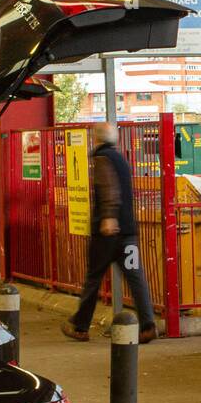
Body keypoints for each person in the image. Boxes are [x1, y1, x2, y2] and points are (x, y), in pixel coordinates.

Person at [65, 123, 158, 344]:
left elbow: (109, 188)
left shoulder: (101, 158)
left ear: (95, 139)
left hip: (107, 233)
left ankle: (80, 326)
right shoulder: (122, 160)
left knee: (93, 278)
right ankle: (148, 325)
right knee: (136, 278)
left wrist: (108, 216)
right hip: (128, 232)